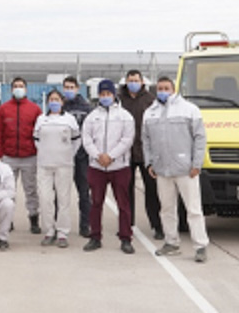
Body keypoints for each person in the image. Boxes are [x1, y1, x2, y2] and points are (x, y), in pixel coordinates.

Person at [143, 76, 209, 263]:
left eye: (167, 88)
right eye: (160, 88)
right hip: (162, 170)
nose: (163, 91)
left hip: (186, 169)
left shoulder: (190, 110)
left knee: (193, 209)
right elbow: (146, 140)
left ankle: (200, 246)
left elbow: (199, 138)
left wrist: (197, 164)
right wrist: (150, 163)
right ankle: (171, 242)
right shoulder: (150, 113)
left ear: (174, 89)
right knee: (167, 209)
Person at [82, 79, 136, 254]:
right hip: (97, 167)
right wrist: (98, 156)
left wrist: (111, 156)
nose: (105, 97)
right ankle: (95, 236)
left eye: (108, 94)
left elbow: (127, 139)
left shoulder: (125, 116)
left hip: (119, 166)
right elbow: (87, 139)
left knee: (123, 204)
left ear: (114, 95)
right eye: (102, 94)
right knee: (96, 202)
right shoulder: (92, 117)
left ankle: (125, 238)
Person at [0, 77, 43, 234]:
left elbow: (41, 132)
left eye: (21, 86)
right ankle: (8, 220)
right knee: (8, 190)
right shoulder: (4, 109)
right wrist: (0, 152)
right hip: (9, 156)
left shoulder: (35, 109)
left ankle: (34, 218)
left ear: (26, 89)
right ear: (11, 89)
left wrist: (38, 151)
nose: (18, 88)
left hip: (30, 156)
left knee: (31, 190)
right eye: (15, 86)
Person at [119, 70, 162, 240]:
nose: (133, 83)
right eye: (130, 80)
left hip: (146, 153)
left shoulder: (151, 100)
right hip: (126, 153)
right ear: (126, 82)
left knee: (152, 192)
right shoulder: (120, 100)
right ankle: (127, 225)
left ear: (142, 81)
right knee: (126, 192)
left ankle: (157, 226)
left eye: (136, 80)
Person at [34, 89, 80, 248]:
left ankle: (62, 232)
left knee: (63, 199)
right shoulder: (41, 119)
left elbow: (76, 141)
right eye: (51, 99)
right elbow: (36, 140)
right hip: (44, 165)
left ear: (62, 101)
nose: (54, 102)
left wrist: (67, 155)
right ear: (48, 102)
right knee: (45, 199)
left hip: (64, 165)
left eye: (57, 99)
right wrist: (46, 152)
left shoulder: (70, 119)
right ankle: (49, 230)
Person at [61, 76, 93, 237]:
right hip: (63, 158)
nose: (68, 90)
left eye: (71, 87)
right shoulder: (59, 107)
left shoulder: (87, 108)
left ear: (77, 88)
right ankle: (59, 225)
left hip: (82, 158)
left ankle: (85, 225)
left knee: (84, 193)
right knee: (60, 193)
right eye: (66, 87)